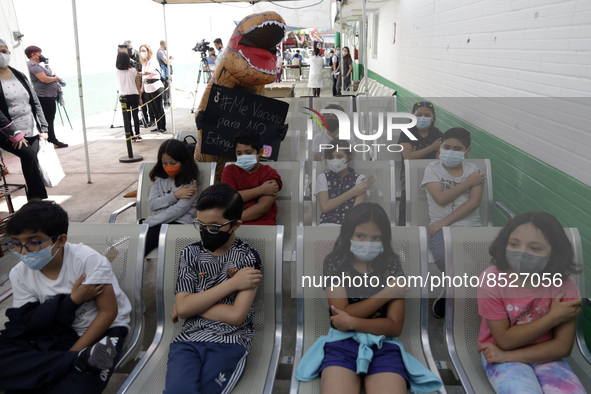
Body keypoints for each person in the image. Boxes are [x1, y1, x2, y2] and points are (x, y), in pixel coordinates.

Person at [295, 203, 442, 393]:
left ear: (384, 239)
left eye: (376, 238)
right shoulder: (335, 263)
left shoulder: (391, 265)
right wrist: (386, 294)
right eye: (361, 236)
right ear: (348, 235)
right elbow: (340, 316)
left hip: (383, 345)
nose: (368, 243)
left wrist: (352, 321)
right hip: (342, 344)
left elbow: (394, 326)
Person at [0, 200, 131, 393]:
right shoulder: (19, 273)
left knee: (76, 385)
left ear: (60, 240)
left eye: (33, 242)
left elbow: (108, 312)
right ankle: (78, 361)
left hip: (104, 333)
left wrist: (73, 350)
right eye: (16, 243)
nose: (23, 251)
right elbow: (29, 322)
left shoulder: (87, 260)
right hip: (55, 333)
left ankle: (54, 366)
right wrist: (72, 301)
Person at [164, 183, 263, 394]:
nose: (206, 232)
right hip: (188, 340)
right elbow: (183, 310)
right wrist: (232, 284)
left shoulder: (248, 258)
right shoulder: (190, 254)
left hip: (230, 341)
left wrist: (190, 305)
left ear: (235, 225)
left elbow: (236, 316)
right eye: (200, 224)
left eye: (214, 227)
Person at [477, 211, 584, 393]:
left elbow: (563, 346)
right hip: (497, 352)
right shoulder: (492, 279)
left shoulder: (564, 285)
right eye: (514, 244)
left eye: (535, 248)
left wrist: (507, 356)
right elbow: (504, 340)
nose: (521, 253)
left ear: (553, 253)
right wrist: (553, 317)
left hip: (546, 356)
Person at [420, 127, 485, 318]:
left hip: (472, 228)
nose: (450, 151)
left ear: (468, 151)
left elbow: (474, 202)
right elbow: (440, 198)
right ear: (440, 147)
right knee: (446, 260)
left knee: (487, 263)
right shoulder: (432, 169)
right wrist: (467, 183)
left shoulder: (475, 171)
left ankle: (454, 292)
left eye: (457, 148)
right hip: (442, 231)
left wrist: (444, 221)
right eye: (446, 146)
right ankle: (457, 293)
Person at [0, 39, 49, 200]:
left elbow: (35, 102)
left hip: (31, 128)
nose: (3, 54)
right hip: (9, 133)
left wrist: (43, 127)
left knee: (31, 160)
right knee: (28, 156)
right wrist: (14, 133)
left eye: (5, 51)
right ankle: (38, 200)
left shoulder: (19, 75)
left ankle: (36, 201)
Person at [143, 139, 199, 255]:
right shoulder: (159, 180)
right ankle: (110, 261)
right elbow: (152, 204)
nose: (168, 167)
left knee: (140, 243)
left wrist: (150, 222)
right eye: (164, 163)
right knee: (127, 241)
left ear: (183, 162)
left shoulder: (189, 185)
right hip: (159, 225)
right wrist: (175, 196)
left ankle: (121, 267)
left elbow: (176, 212)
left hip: (179, 226)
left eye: (173, 163)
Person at [221, 130, 282, 225]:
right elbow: (229, 199)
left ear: (260, 152)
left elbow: (262, 208)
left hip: (262, 226)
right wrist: (261, 190)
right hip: (232, 227)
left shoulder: (269, 173)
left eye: (248, 152)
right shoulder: (229, 171)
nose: (243, 156)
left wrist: (233, 220)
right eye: (239, 153)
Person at [397, 101, 443, 226]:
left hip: (432, 172)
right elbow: (408, 157)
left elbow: (439, 160)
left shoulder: (438, 135)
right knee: (408, 194)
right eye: (419, 114)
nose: (423, 118)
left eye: (427, 115)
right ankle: (403, 226)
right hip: (409, 172)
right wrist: (432, 148)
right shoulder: (406, 133)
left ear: (433, 118)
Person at [25, 45, 68, 148]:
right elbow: (44, 79)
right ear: (33, 54)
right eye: (39, 53)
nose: (41, 55)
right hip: (44, 97)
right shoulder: (34, 66)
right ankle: (51, 141)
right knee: (48, 119)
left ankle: (51, 140)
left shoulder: (38, 66)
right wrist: (56, 79)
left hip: (47, 96)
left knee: (49, 119)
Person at [316, 140, 367, 225]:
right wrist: (352, 192)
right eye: (331, 157)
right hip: (327, 226)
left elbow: (356, 213)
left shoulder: (359, 179)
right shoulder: (323, 178)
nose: (335, 160)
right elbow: (325, 207)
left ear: (349, 157)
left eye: (339, 156)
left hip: (349, 227)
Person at [139, 44, 166, 133]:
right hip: (148, 88)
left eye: (144, 51)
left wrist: (137, 73)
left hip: (156, 86)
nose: (142, 53)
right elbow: (143, 78)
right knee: (153, 109)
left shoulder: (153, 61)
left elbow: (148, 72)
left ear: (148, 51)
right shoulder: (144, 63)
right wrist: (142, 89)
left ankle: (163, 127)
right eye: (141, 51)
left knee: (159, 108)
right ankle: (158, 126)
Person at [115, 51, 142, 142]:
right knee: (135, 116)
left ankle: (130, 135)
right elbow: (137, 85)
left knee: (127, 118)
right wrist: (140, 97)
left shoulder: (117, 71)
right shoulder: (133, 71)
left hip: (123, 97)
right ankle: (138, 135)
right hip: (134, 95)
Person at [157, 40, 173, 108]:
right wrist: (171, 59)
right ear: (164, 45)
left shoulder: (162, 52)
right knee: (166, 87)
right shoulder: (160, 52)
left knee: (167, 87)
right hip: (164, 73)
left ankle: (167, 102)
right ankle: (166, 103)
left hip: (166, 72)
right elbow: (166, 62)